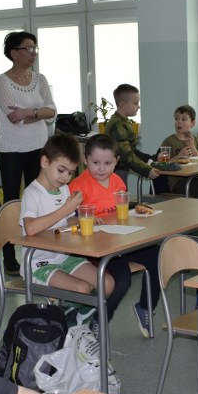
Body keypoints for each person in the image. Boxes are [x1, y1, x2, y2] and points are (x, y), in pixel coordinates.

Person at [69, 134, 161, 337]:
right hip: (96, 248)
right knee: (123, 279)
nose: (102, 168)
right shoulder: (77, 186)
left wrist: (135, 212)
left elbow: (121, 213)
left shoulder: (118, 181)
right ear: (85, 160)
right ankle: (101, 318)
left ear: (117, 161)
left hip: (121, 241)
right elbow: (70, 220)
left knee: (157, 255)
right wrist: (86, 219)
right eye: (95, 163)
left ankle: (145, 307)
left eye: (108, 163)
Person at [18, 134, 116, 308]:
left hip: (64, 257)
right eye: (61, 170)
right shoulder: (32, 193)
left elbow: (66, 222)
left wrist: (83, 220)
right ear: (45, 162)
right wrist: (66, 208)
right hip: (38, 263)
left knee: (107, 283)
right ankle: (70, 319)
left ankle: (80, 317)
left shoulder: (63, 190)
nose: (65, 178)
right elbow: (30, 228)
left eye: (70, 173)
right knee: (81, 289)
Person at [0, 31, 57, 277]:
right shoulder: (1, 81)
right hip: (11, 150)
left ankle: (38, 253)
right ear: (14, 53)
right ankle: (9, 255)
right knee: (11, 201)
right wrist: (37, 113)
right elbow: (14, 117)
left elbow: (52, 110)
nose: (33, 53)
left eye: (35, 49)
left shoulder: (40, 79)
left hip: (39, 147)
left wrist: (29, 112)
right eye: (28, 49)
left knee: (38, 199)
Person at [103, 83, 169, 194]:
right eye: (135, 103)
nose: (138, 106)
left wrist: (152, 159)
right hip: (115, 173)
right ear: (123, 105)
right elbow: (127, 155)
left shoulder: (123, 122)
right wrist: (147, 170)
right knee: (119, 202)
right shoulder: (118, 125)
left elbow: (132, 151)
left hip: (119, 171)